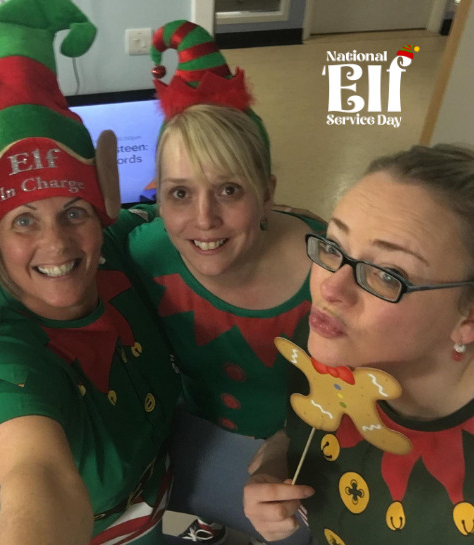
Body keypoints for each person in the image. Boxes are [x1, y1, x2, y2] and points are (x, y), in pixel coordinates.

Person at [0, 2, 180, 544]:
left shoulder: (119, 255)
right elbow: (38, 473)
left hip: (155, 504)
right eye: (24, 221)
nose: (56, 242)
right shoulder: (4, 354)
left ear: (102, 214)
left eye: (74, 212)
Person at [127, 21, 322, 544]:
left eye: (230, 189)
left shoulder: (327, 270)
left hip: (304, 447)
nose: (204, 219)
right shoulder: (148, 255)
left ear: (267, 192)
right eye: (180, 194)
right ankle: (209, 522)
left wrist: (285, 443)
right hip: (195, 430)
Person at [243, 143, 474, 545]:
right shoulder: (326, 345)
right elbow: (298, 425)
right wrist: (278, 459)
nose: (330, 289)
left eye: (387, 274)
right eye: (333, 247)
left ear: (468, 317)